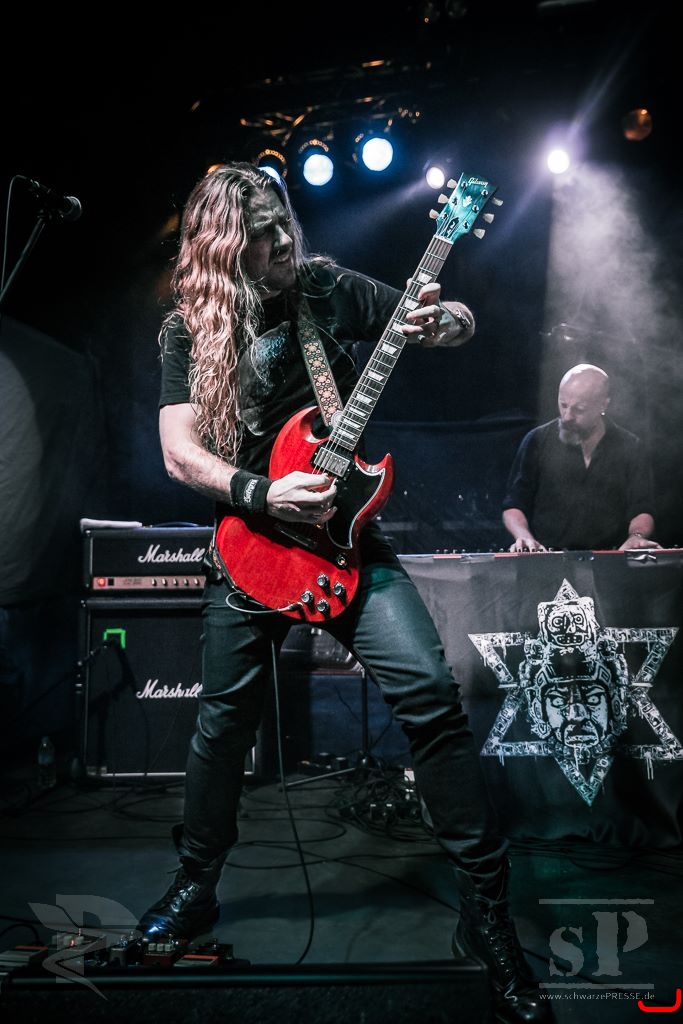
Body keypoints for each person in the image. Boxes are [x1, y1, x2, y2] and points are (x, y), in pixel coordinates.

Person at [138, 162, 554, 1024]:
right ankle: (195, 884)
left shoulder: (326, 288)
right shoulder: (189, 327)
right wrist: (261, 493)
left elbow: (445, 324)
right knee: (222, 727)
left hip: (346, 538)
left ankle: (486, 913)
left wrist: (444, 319)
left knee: (431, 699)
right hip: (253, 542)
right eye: (261, 233)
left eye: (283, 223)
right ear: (223, 245)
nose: (282, 240)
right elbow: (178, 451)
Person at [502, 363, 660, 553]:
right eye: (563, 405)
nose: (567, 416)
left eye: (579, 409)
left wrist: (637, 537)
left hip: (608, 559)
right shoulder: (536, 440)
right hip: (547, 558)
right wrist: (524, 536)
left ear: (603, 405)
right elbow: (514, 505)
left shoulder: (630, 446)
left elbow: (642, 509)